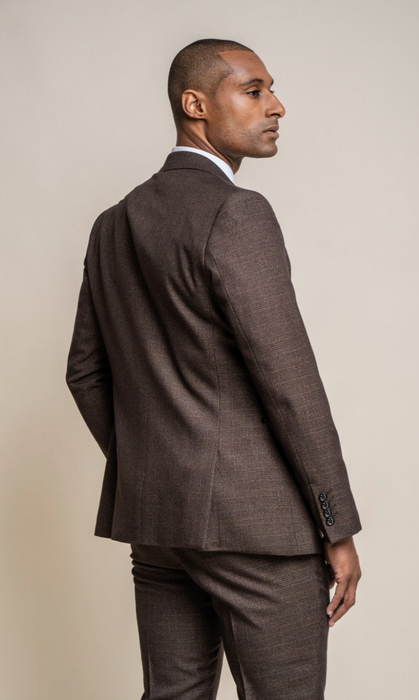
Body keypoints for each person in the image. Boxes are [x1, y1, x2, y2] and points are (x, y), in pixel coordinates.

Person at [66, 38, 362, 700]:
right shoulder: (237, 212)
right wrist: (337, 525)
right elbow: (289, 386)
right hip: (258, 529)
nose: (276, 106)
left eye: (271, 90)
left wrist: (159, 466)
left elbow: (85, 372)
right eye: (253, 91)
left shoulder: (113, 224)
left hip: (159, 523)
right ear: (195, 104)